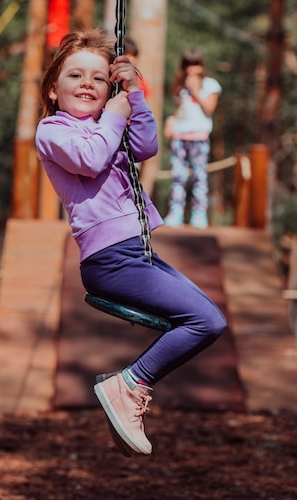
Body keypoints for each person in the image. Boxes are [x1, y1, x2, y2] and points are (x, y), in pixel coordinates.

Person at [35, 29, 227, 457]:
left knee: (206, 317)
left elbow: (146, 146)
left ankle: (128, 386)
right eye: (75, 75)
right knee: (206, 322)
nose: (87, 83)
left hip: (135, 250)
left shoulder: (109, 122)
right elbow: (90, 159)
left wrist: (134, 96)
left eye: (99, 78)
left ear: (109, 88)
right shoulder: (52, 131)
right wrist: (116, 111)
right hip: (110, 258)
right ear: (53, 89)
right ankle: (129, 384)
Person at [164, 48, 221, 229]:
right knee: (178, 177)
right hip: (180, 137)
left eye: (195, 64)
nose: (192, 69)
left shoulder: (210, 85)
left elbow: (209, 108)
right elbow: (179, 112)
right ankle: (176, 212)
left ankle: (199, 213)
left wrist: (195, 90)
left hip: (199, 138)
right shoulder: (180, 87)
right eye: (189, 65)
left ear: (201, 66)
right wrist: (171, 122)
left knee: (199, 177)